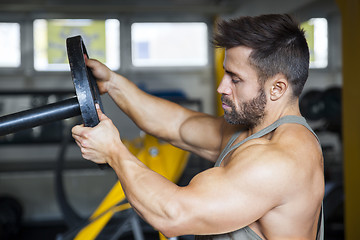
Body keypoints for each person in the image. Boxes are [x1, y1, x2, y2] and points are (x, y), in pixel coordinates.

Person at [72, 14, 324, 239]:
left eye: (235, 79)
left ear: (277, 88)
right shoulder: (251, 130)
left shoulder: (279, 161)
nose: (221, 88)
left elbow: (173, 215)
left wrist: (114, 152)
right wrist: (114, 84)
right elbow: (178, 125)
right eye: (225, 74)